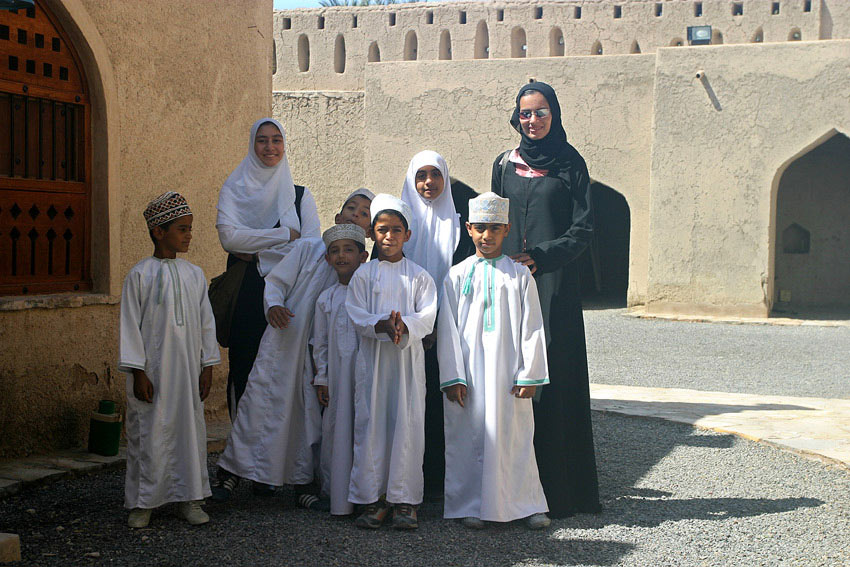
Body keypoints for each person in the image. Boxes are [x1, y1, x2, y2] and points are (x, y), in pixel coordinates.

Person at [214, 189, 373, 501]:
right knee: (261, 405)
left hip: (320, 357)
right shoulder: (307, 249)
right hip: (285, 342)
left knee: (308, 417)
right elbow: (276, 281)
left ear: (367, 232)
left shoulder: (364, 272)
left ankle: (301, 483)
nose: (355, 213)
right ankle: (231, 474)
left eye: (364, 212)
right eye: (350, 207)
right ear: (337, 217)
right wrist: (272, 305)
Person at [491, 81, 600, 517]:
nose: (531, 121)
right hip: (508, 281)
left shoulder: (571, 164)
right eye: (525, 113)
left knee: (550, 377)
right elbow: (493, 219)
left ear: (553, 115)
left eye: (540, 112)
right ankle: (505, 487)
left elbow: (584, 229)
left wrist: (541, 256)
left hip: (552, 284)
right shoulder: (504, 164)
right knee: (507, 374)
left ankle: (557, 491)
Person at [437, 192, 550, 530]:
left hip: (509, 373)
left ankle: (525, 504)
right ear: (469, 229)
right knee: (470, 435)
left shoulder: (519, 276)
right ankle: (470, 503)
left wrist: (529, 373)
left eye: (496, 228)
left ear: (507, 230)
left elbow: (532, 327)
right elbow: (447, 331)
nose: (488, 236)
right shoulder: (456, 276)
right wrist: (453, 376)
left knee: (515, 435)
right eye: (481, 228)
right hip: (470, 373)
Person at [118, 192, 221, 528]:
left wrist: (207, 366)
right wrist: (138, 373)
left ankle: (190, 499)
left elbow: (207, 323)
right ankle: (143, 502)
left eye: (190, 228)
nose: (189, 235)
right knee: (148, 434)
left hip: (188, 373)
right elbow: (130, 328)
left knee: (188, 433)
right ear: (158, 232)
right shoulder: (139, 275)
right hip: (153, 374)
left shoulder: (194, 275)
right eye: (182, 229)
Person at [216, 117, 321, 419]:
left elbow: (310, 248)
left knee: (282, 375)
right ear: (252, 144)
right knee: (245, 369)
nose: (270, 146)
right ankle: (239, 454)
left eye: (276, 139)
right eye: (262, 140)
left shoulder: (300, 197)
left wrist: (258, 254)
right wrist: (285, 235)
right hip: (246, 294)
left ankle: (276, 458)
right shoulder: (234, 189)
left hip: (289, 296)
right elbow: (229, 237)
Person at [346, 194, 438, 530]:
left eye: (396, 229)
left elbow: (427, 317)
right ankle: (372, 499)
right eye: (382, 229)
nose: (389, 236)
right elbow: (355, 313)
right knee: (372, 426)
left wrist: (405, 326)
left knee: (408, 426)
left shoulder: (419, 276)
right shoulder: (363, 275)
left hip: (407, 368)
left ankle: (404, 501)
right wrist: (382, 325)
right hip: (373, 365)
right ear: (371, 233)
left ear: (408, 235)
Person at [399, 150, 476, 496]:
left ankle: (445, 482)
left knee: (445, 400)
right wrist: (418, 325)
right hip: (408, 333)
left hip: (450, 330)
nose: (428, 182)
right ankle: (411, 480)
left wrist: (439, 325)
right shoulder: (398, 225)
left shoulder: (461, 227)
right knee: (411, 403)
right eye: (421, 175)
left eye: (435, 174)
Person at [311, 224, 369, 516]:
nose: (342, 256)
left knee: (364, 428)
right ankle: (337, 495)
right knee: (336, 429)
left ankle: (366, 495)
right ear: (327, 260)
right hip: (336, 378)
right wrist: (322, 377)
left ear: (363, 256)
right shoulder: (327, 298)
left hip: (366, 378)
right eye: (335, 251)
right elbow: (319, 343)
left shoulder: (370, 294)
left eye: (349, 249)